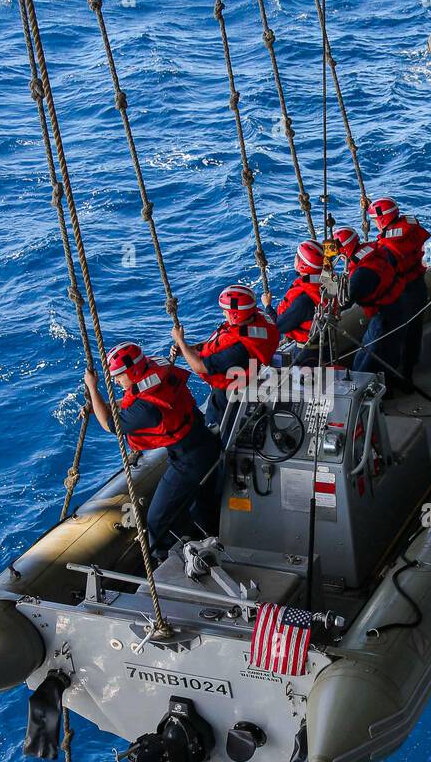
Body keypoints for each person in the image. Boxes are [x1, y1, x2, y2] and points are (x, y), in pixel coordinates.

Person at [84, 342, 219, 563]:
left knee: (156, 518)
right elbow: (131, 399)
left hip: (189, 459)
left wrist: (92, 388)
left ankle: (164, 562)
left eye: (119, 376)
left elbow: (109, 425)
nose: (117, 382)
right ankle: (200, 535)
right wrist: (101, 404)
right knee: (196, 504)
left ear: (133, 372)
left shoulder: (147, 408)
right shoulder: (154, 374)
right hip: (201, 441)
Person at [171, 284, 280, 435]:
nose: (223, 313)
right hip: (250, 374)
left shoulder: (238, 349)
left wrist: (181, 342)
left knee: (216, 428)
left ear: (236, 314)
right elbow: (216, 344)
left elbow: (200, 367)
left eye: (226, 311)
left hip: (228, 392)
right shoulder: (256, 320)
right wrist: (187, 350)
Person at [368, 197, 431, 378]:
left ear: (382, 220)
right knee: (413, 333)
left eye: (374, 220)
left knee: (394, 337)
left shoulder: (387, 246)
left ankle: (392, 378)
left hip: (402, 294)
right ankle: (408, 375)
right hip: (419, 287)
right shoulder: (410, 226)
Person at [335, 225, 405, 384]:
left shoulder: (361, 275)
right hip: (395, 305)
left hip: (384, 316)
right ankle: (389, 387)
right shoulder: (372, 250)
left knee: (366, 364)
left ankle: (367, 395)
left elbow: (343, 302)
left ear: (345, 249)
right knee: (383, 353)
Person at [270, 239, 326, 362]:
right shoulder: (325, 285)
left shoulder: (303, 300)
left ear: (303, 265)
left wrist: (268, 307)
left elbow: (279, 326)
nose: (294, 259)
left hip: (307, 352)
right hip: (323, 345)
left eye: (297, 257)